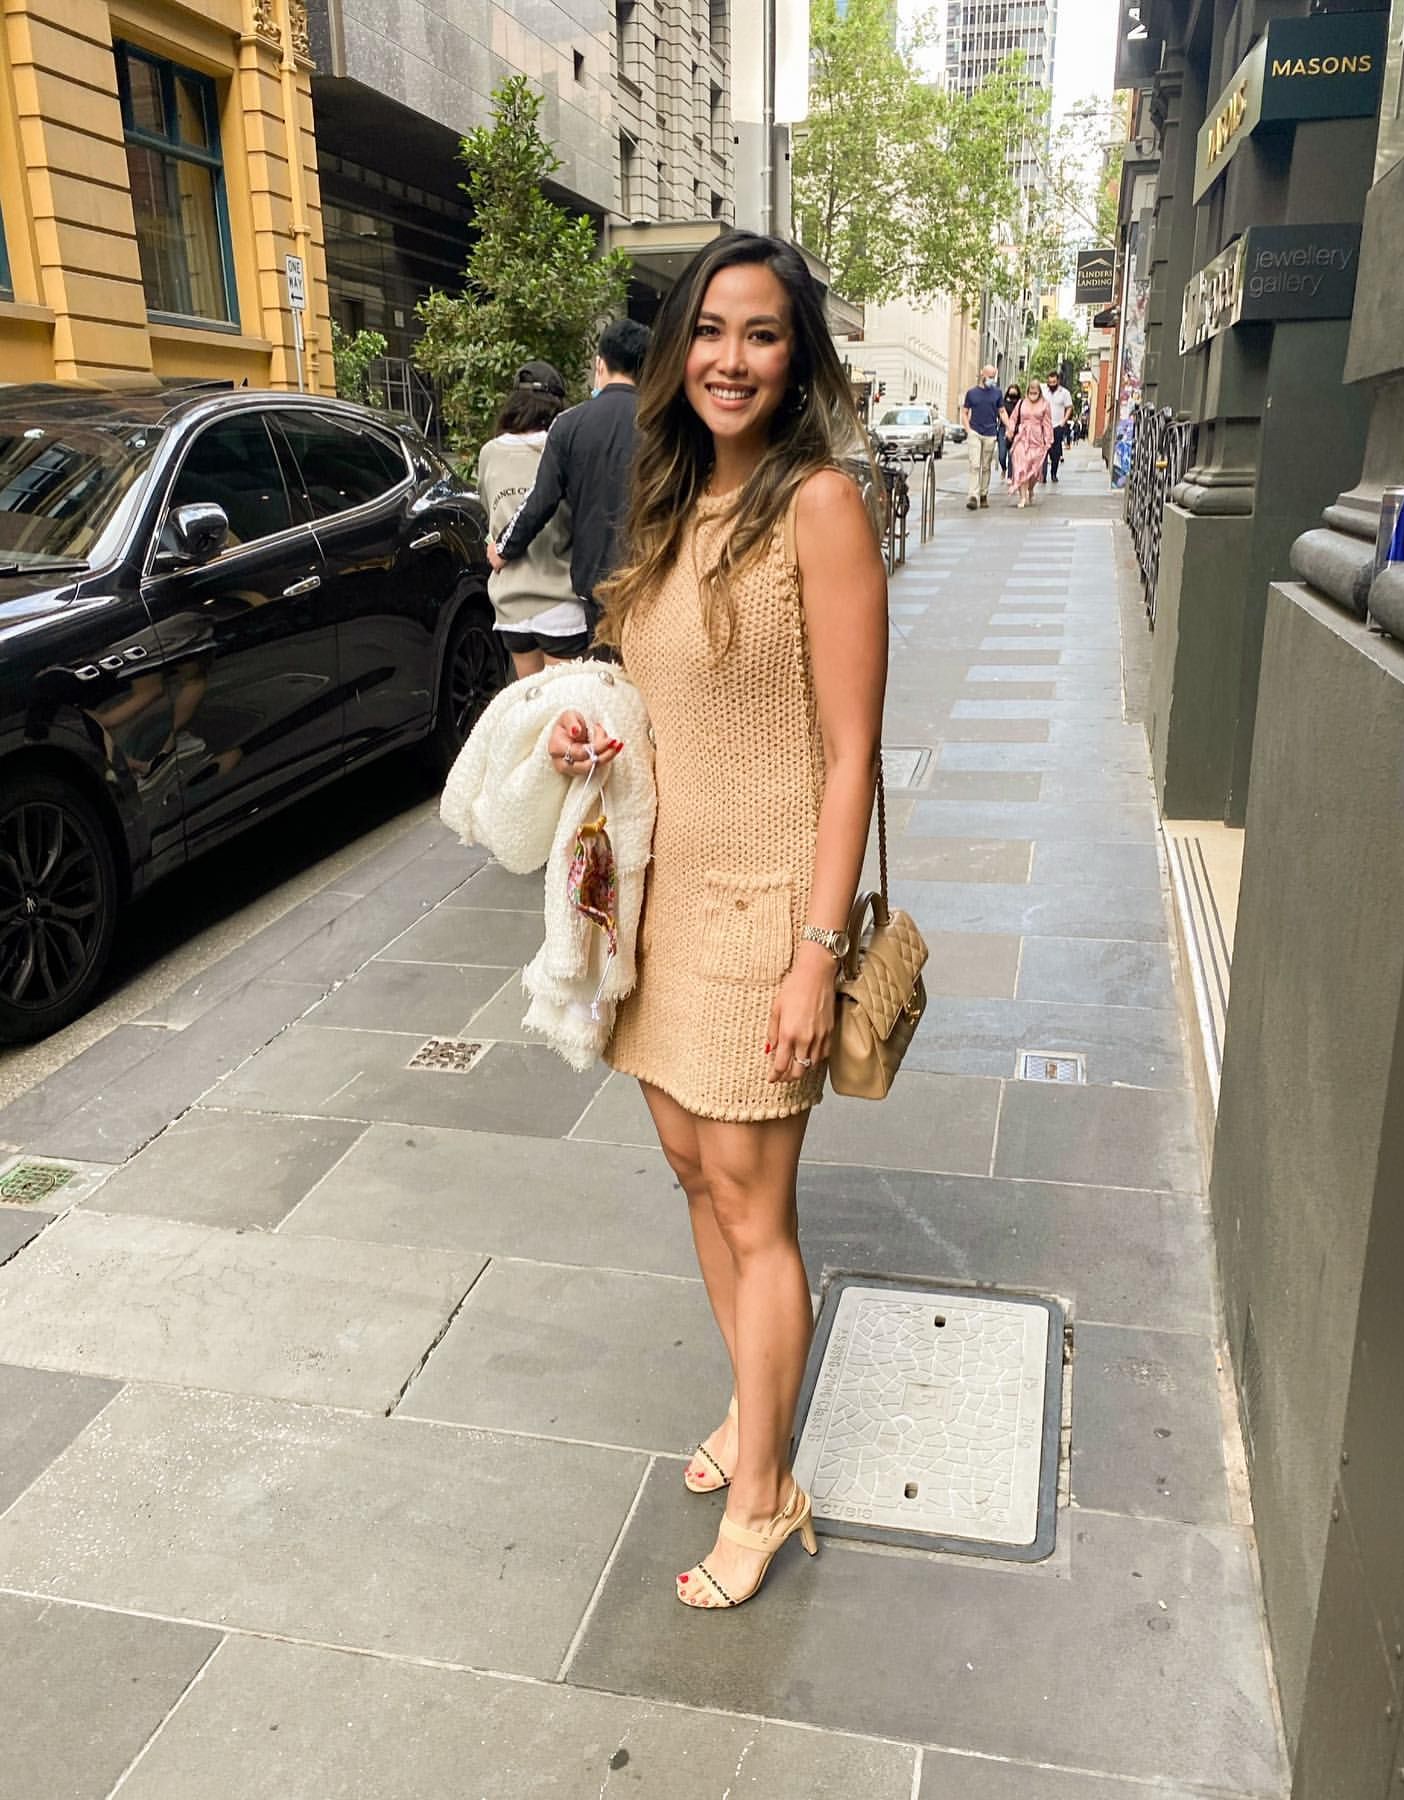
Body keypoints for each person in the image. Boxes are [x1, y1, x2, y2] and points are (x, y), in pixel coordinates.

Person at [547, 231, 887, 1611]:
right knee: (695, 1174)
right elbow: (658, 702)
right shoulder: (669, 501)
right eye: (709, 331)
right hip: (665, 908)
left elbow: (853, 755)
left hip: (767, 914)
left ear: (796, 358)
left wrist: (818, 951)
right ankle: (754, 1404)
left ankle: (766, 1490)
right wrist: (591, 734)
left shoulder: (821, 506)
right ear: (677, 349)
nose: (730, 359)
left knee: (755, 1206)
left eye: (761, 334)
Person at [487, 317, 651, 643]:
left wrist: (503, 549)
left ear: (600, 364)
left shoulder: (569, 424)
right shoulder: (661, 423)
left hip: (595, 584)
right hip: (650, 580)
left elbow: (540, 500)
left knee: (602, 670)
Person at [471, 363, 586, 677]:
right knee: (565, 703)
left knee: (529, 702)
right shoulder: (563, 447)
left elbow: (490, 514)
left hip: (511, 605)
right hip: (561, 602)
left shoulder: (489, 453)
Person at [960, 364, 1002, 510]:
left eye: (993, 377)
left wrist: (1009, 425)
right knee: (975, 465)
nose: (991, 379)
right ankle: (973, 496)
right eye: (989, 376)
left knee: (986, 466)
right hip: (975, 432)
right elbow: (964, 412)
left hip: (990, 433)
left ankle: (983, 494)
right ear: (982, 374)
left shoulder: (997, 393)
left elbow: (1002, 411)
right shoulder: (972, 393)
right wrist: (968, 430)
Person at [1007, 378, 1053, 509]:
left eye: (1035, 392)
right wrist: (1010, 431)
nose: (1033, 394)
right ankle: (1022, 497)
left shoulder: (1045, 404)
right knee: (1021, 467)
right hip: (1022, 438)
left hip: (1036, 440)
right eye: (1031, 392)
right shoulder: (1021, 403)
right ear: (1027, 391)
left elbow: (1047, 424)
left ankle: (1031, 488)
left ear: (1039, 392)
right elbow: (1013, 418)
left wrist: (1048, 440)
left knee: (1034, 470)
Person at [1041, 369, 1073, 484]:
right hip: (1045, 426)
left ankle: (1053, 473)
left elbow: (1069, 407)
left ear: (1058, 381)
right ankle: (1043, 475)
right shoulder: (1044, 392)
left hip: (1057, 426)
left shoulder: (1064, 393)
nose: (1052, 384)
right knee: (1044, 451)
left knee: (1055, 453)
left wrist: (1064, 421)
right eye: (1050, 382)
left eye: (1054, 382)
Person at [996, 381, 1022, 478]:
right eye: (1011, 393)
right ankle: (1004, 468)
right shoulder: (1003, 403)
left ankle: (1010, 476)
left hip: (1016, 430)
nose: (1013, 395)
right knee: (1002, 455)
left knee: (1012, 454)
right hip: (1003, 429)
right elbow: (999, 414)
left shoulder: (1020, 404)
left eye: (1015, 393)